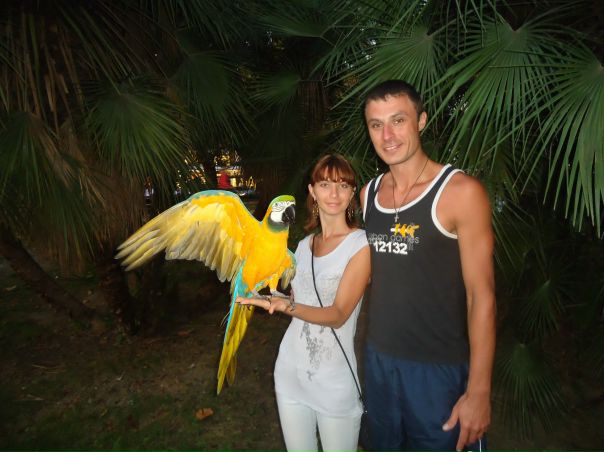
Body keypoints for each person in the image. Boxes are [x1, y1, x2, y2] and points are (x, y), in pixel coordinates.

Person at [360, 80, 496, 452]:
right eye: (376, 125)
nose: (387, 136)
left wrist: (479, 391)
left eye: (398, 120)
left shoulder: (460, 193)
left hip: (439, 371)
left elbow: (481, 296)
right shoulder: (369, 194)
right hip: (379, 362)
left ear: (421, 121)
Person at [238, 153, 371, 452]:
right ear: (312, 191)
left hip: (334, 382)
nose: (334, 194)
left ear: (352, 193)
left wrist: (288, 307)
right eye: (325, 185)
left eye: (342, 185)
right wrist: (276, 298)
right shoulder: (302, 246)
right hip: (290, 373)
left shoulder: (360, 245)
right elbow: (302, 301)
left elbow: (338, 314)